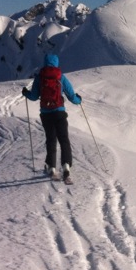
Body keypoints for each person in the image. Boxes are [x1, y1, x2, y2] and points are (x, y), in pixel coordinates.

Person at [22, 53, 82, 181]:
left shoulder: (39, 78)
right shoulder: (61, 77)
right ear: (56, 63)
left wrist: (26, 93)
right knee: (64, 139)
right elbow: (72, 97)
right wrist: (79, 100)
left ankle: (51, 168)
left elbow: (33, 96)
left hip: (46, 113)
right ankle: (66, 166)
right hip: (59, 112)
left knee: (51, 139)